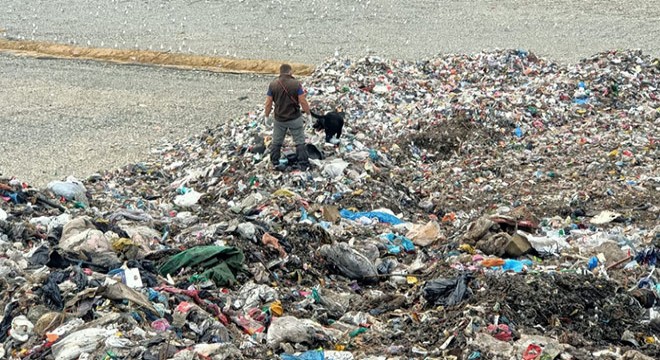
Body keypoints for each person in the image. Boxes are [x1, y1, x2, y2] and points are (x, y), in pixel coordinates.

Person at [264, 64, 311, 171]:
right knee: (299, 141)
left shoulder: (273, 84)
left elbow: (268, 103)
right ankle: (303, 163)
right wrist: (308, 114)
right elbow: (302, 101)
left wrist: (266, 116)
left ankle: (275, 162)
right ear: (290, 72)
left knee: (277, 141)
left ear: (280, 72)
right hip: (294, 118)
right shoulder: (296, 84)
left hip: (279, 119)